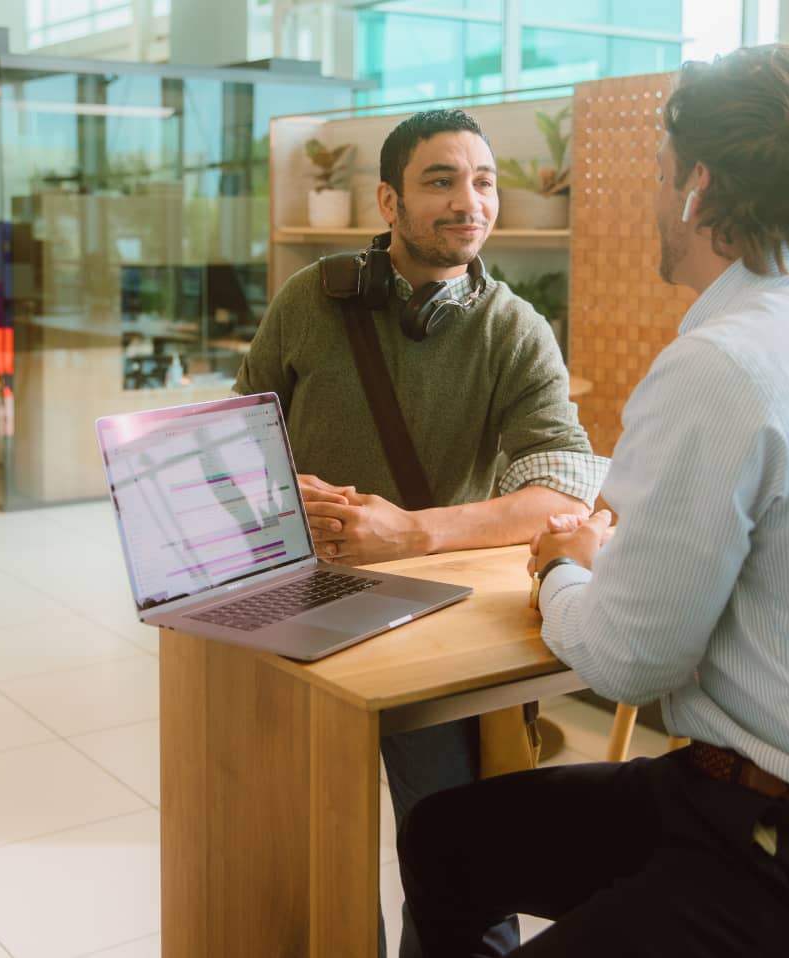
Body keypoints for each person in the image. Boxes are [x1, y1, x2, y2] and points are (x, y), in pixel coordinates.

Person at [396, 44, 789, 957]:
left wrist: (562, 577)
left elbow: (628, 662)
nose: (652, 198)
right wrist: (605, 566)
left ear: (698, 185)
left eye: (659, 175)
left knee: (455, 838)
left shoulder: (726, 362)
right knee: (449, 837)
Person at [234, 108, 609, 957]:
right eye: (440, 181)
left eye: (482, 182)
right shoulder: (310, 300)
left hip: (435, 625)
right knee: (300, 854)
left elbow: (558, 488)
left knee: (455, 858)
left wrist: (410, 534)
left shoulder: (515, 329)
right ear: (388, 201)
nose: (467, 201)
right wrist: (275, 483)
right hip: (298, 609)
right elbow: (236, 430)